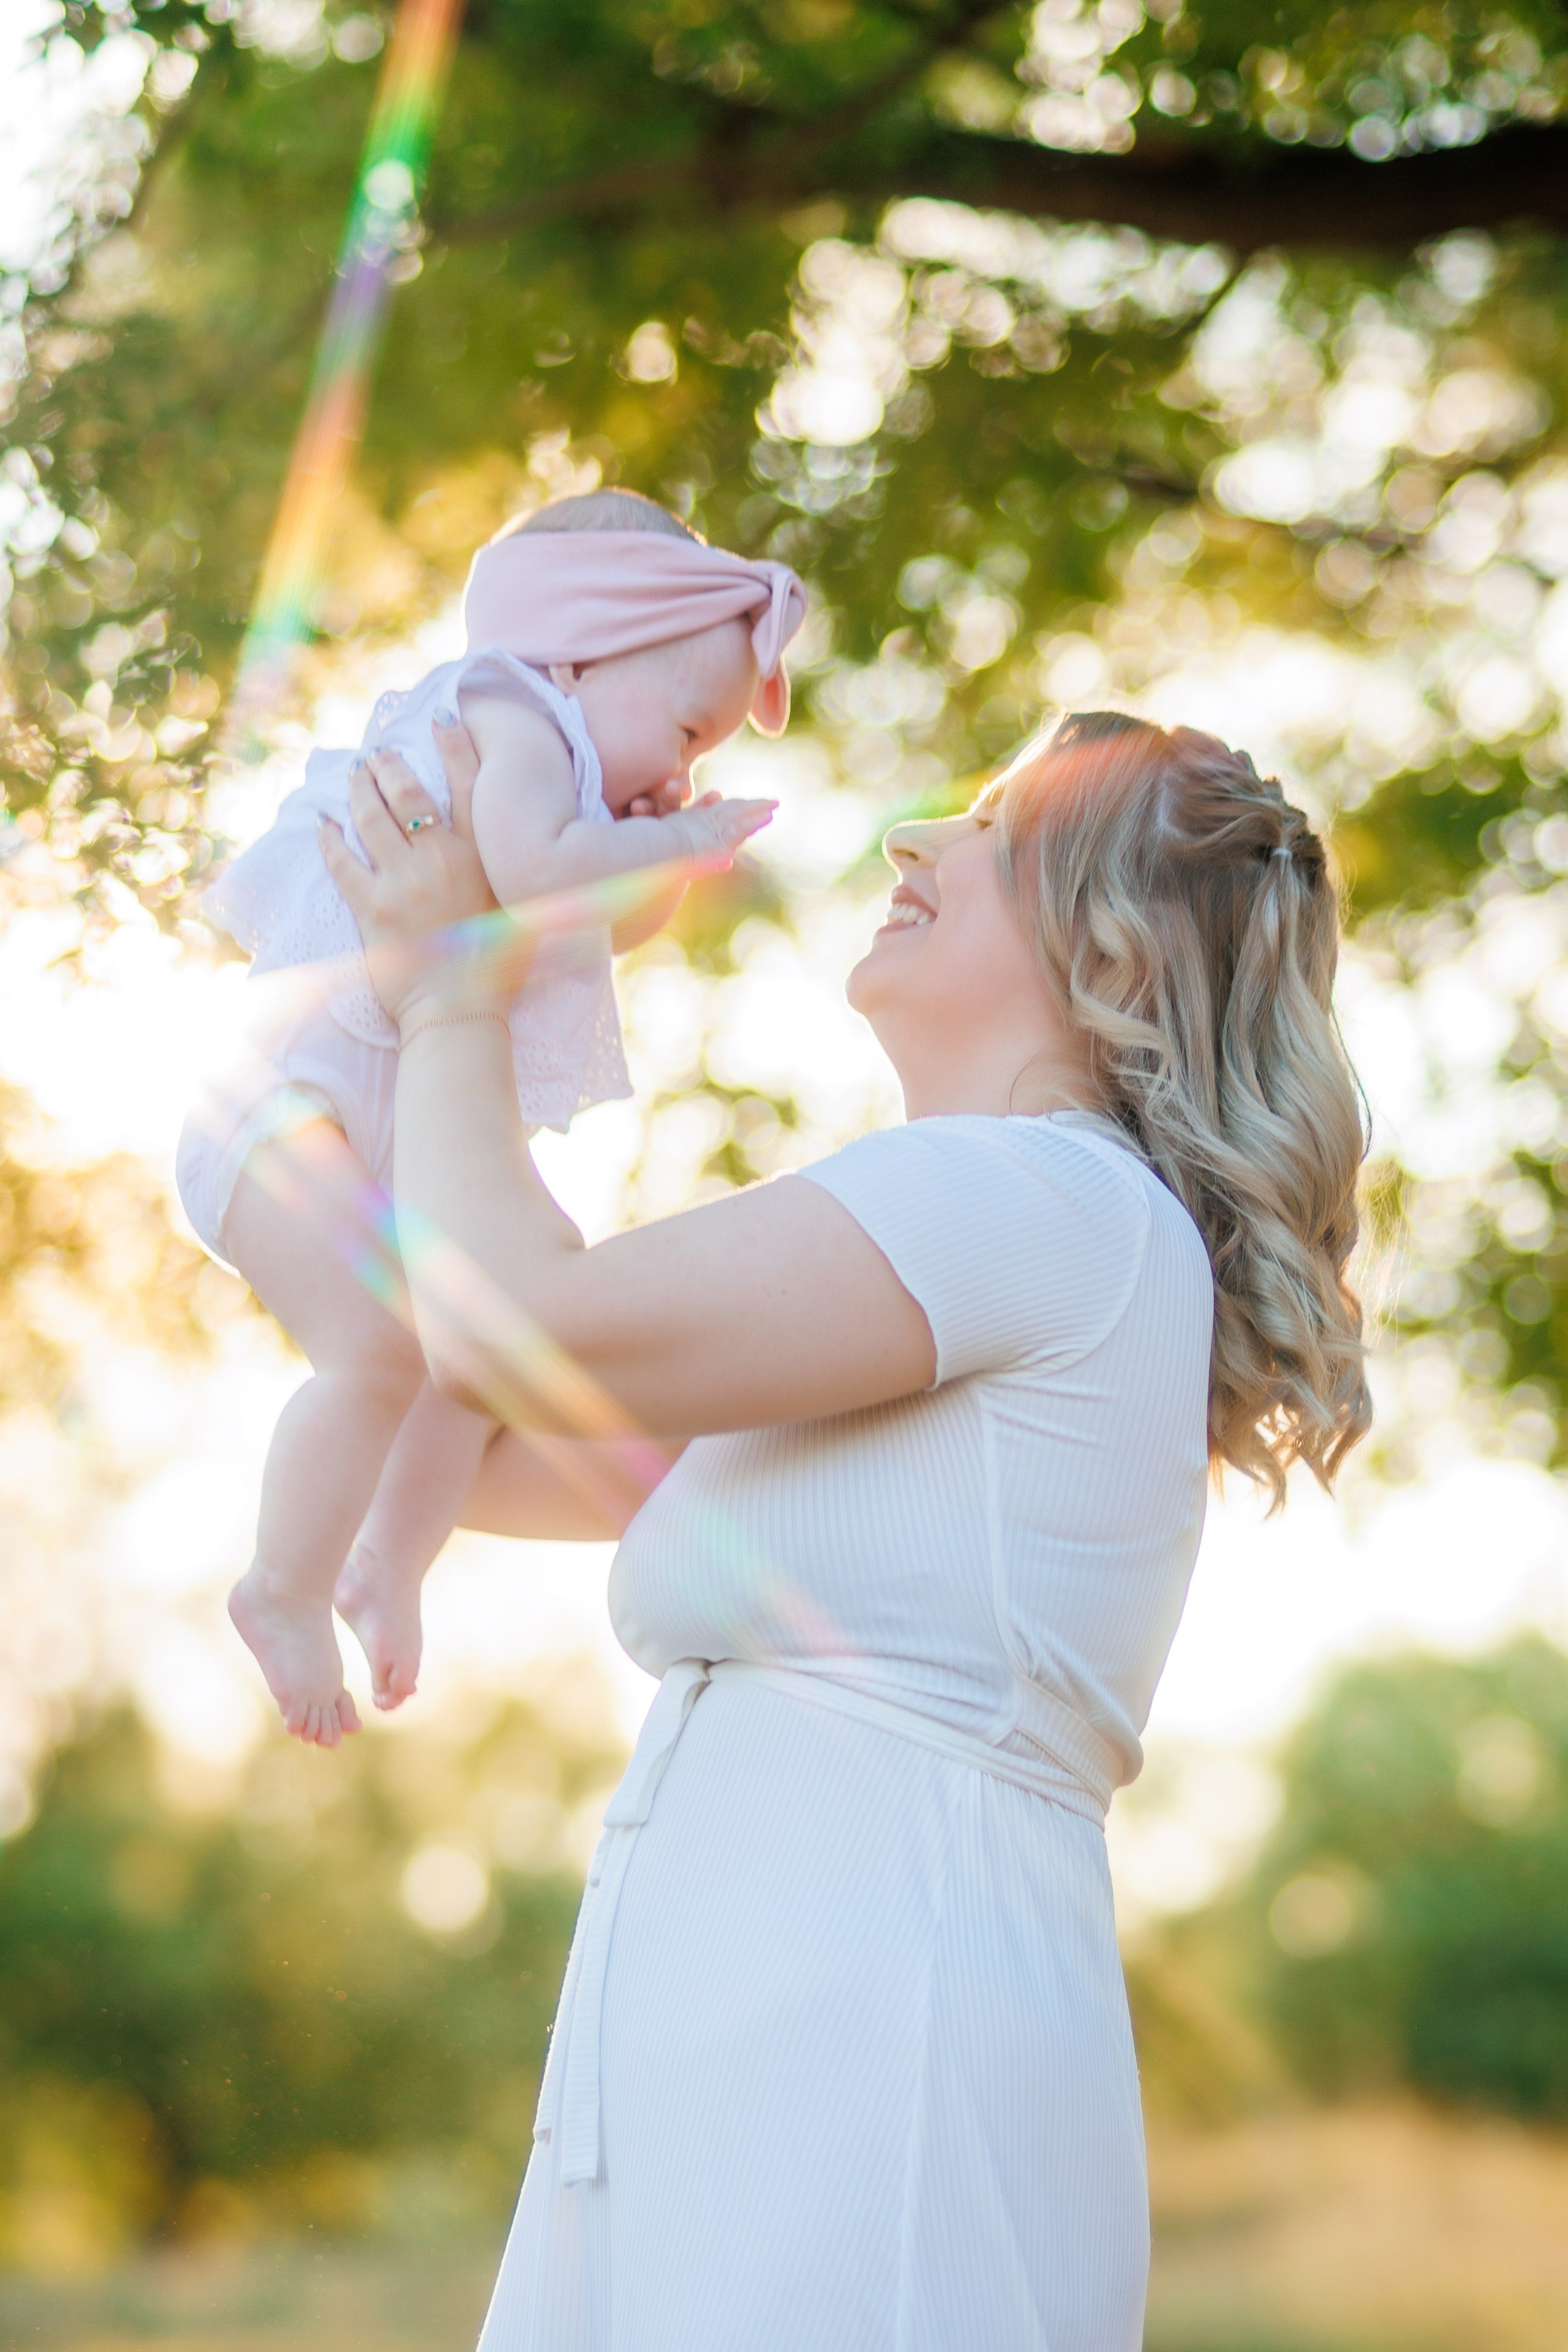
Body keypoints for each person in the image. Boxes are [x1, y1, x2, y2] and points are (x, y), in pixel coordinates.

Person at [321, 707, 1370, 2352]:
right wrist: (347, 1100)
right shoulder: (947, 1262)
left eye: (994, 828)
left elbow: (512, 1335)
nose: (913, 838)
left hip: (875, 2055)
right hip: (722, 2059)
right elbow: (488, 1437)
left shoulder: (1045, 1199)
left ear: (1115, 948)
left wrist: (455, 989)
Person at [176, 490, 805, 1743]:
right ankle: (281, 1587)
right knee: (377, 1354)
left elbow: (603, 919)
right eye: (687, 728)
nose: (684, 771)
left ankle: (386, 1564)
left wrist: (657, 859)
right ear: (581, 652)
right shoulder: (510, 711)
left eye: (704, 759)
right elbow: (536, 874)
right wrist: (684, 834)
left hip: (374, 1133)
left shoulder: (574, 776)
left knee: (479, 1347)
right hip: (285, 1112)